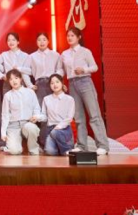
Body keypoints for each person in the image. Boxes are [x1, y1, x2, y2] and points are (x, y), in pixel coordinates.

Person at [61, 26, 109, 154]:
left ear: (79, 37)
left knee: (94, 114)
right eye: (68, 36)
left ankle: (103, 146)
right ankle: (82, 146)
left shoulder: (85, 51)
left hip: (85, 81)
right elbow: (63, 71)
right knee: (78, 117)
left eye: (72, 35)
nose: (69, 38)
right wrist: (62, 83)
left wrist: (84, 69)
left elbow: (95, 67)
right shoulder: (64, 54)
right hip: (72, 84)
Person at [28, 32, 62, 148]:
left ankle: (56, 141)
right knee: (42, 114)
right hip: (40, 84)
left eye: (44, 39)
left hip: (53, 83)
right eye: (39, 40)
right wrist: (29, 85)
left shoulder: (55, 55)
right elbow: (26, 71)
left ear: (48, 41)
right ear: (36, 42)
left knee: (55, 112)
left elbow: (60, 70)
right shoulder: (32, 56)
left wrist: (58, 81)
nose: (42, 42)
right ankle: (43, 143)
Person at [0, 69, 44, 155]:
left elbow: (36, 108)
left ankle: (34, 149)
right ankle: (12, 146)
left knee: (32, 128)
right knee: (15, 151)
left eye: (16, 78)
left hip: (27, 123)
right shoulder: (7, 96)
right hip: (13, 126)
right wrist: (3, 132)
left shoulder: (30, 92)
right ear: (9, 82)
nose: (14, 81)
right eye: (11, 79)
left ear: (21, 79)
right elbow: (5, 115)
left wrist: (36, 117)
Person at [41, 74, 76, 156]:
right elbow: (44, 116)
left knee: (55, 132)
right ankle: (63, 149)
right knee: (49, 151)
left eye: (57, 82)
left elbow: (69, 117)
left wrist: (58, 126)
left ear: (62, 83)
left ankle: (66, 149)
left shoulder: (69, 99)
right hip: (50, 129)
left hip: (64, 129)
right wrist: (37, 117)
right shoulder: (46, 99)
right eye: (52, 83)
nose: (55, 85)